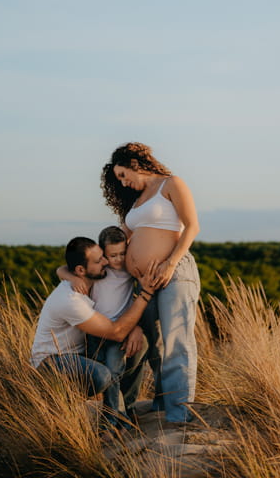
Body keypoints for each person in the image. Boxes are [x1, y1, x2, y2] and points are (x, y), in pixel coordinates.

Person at [101, 141, 200, 424]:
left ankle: (180, 415)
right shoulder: (136, 201)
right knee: (152, 345)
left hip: (174, 273)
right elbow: (117, 239)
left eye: (122, 175)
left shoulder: (171, 183)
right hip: (144, 284)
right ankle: (161, 406)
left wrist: (169, 264)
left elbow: (192, 226)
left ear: (134, 163)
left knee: (176, 342)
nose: (122, 182)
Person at [30, 235, 157, 429]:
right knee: (102, 375)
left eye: (104, 256)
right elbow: (116, 332)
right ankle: (70, 407)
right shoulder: (70, 300)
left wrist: (137, 327)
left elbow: (63, 269)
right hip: (52, 362)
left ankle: (126, 411)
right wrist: (146, 293)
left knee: (141, 344)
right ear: (81, 270)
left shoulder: (92, 280)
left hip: (83, 352)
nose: (106, 262)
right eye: (99, 261)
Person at [57, 226, 148, 424]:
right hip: (96, 331)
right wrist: (72, 277)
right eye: (113, 255)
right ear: (103, 254)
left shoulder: (130, 269)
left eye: (122, 253)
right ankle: (115, 416)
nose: (118, 259)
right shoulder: (99, 271)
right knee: (105, 375)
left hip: (119, 332)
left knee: (114, 371)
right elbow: (62, 269)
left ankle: (113, 420)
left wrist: (137, 326)